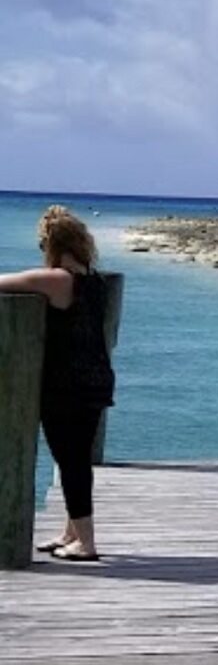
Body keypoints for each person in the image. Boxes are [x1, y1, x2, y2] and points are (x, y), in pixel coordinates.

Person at [0, 206, 116, 561]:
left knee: (71, 461)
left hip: (68, 386)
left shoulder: (57, 279)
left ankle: (86, 542)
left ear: (51, 244)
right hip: (95, 381)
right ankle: (72, 532)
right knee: (74, 458)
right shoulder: (93, 281)